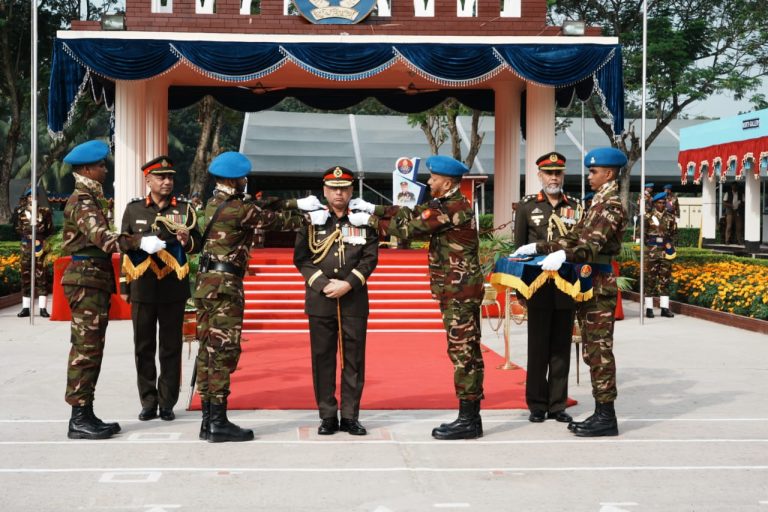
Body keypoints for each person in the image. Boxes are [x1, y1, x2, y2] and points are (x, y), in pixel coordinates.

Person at [349, 155, 485, 440]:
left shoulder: (453, 207)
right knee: (462, 351)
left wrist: (370, 220)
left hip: (460, 291)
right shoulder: (441, 203)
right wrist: (376, 207)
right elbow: (411, 212)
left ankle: (469, 420)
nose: (429, 182)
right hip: (454, 289)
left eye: (434, 179)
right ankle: (468, 416)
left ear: (447, 182)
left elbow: (409, 229)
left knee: (464, 353)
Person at [194, 151, 316, 443]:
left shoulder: (213, 204)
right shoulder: (237, 209)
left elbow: (259, 203)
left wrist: (294, 201)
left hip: (205, 284)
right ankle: (219, 423)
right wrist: (307, 215)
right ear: (238, 179)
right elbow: (274, 220)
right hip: (225, 286)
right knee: (224, 351)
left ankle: (208, 419)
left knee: (207, 350)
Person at [512, 147, 628, 437]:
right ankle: (599, 413)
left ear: (609, 174)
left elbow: (589, 246)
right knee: (591, 350)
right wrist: (539, 248)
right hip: (581, 286)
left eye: (593, 172)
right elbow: (573, 237)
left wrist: (563, 255)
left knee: (599, 352)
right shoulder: (597, 202)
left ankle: (605, 415)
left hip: (596, 284)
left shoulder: (609, 205)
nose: (589, 176)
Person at [60, 140, 166, 440]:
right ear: (86, 169)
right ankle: (79, 417)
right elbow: (103, 239)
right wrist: (138, 242)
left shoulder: (91, 198)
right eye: (100, 166)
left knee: (92, 348)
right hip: (85, 280)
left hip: (92, 280)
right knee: (85, 349)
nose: (104, 170)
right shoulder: (82, 201)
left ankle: (85, 412)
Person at [293, 166, 379, 437]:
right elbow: (302, 259)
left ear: (352, 190)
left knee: (354, 360)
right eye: (333, 188)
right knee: (323, 359)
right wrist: (323, 284)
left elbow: (370, 257)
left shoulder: (363, 220)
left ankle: (351, 416)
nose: (338, 193)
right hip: (321, 298)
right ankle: (328, 415)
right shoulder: (310, 220)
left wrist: (349, 283)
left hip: (353, 297)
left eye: (343, 188)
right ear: (324, 191)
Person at [120, 156, 203, 422]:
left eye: (170, 177)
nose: (167, 182)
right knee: (143, 346)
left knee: (170, 347)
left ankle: (167, 402)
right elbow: (123, 243)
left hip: (172, 287)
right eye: (161, 177)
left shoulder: (184, 209)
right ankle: (148, 401)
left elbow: (197, 245)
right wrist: (125, 283)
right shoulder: (134, 210)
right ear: (148, 180)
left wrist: (187, 240)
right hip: (143, 287)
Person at [513, 152, 583, 424]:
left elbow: (580, 246)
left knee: (561, 348)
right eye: (549, 173)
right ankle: (537, 404)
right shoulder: (528, 206)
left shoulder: (575, 206)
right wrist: (521, 288)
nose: (554, 177)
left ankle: (557, 405)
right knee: (538, 347)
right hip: (538, 286)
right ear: (539, 175)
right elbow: (519, 248)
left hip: (566, 285)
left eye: (558, 173)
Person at [11, 189, 54, 317]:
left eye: (35, 196)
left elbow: (49, 229)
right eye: (30, 196)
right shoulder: (20, 212)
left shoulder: (44, 212)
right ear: (27, 198)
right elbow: (16, 228)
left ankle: (42, 308)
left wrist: (40, 238)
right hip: (26, 246)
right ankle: (25, 308)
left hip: (40, 246)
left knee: (42, 276)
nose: (32, 198)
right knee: (25, 276)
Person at [643, 191, 677, 319]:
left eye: (663, 203)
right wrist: (650, 247)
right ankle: (649, 309)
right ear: (654, 203)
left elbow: (674, 234)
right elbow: (643, 234)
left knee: (665, 280)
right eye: (659, 203)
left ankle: (664, 308)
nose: (661, 205)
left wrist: (669, 246)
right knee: (650, 280)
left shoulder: (670, 217)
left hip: (666, 252)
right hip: (652, 252)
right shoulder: (648, 217)